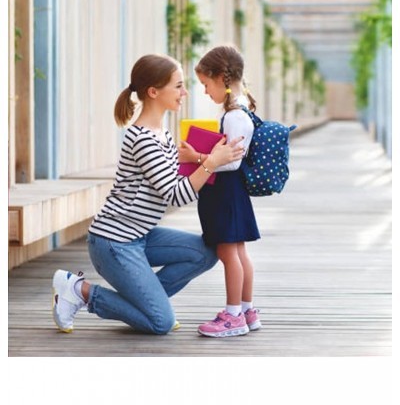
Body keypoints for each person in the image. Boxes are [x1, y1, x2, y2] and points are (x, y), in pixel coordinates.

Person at [52, 53, 244, 335]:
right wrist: (211, 162)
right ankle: (80, 291)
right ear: (154, 91)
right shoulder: (143, 139)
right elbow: (175, 195)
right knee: (160, 323)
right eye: (178, 86)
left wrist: (201, 156)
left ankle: (146, 304)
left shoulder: (161, 133)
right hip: (113, 243)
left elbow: (173, 175)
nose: (185, 92)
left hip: (140, 235)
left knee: (206, 253)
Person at [179, 45, 261, 337]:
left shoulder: (234, 116)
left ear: (221, 78)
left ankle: (233, 315)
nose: (204, 92)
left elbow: (230, 162)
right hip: (232, 194)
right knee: (239, 253)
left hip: (225, 193)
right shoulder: (240, 111)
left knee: (229, 254)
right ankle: (246, 310)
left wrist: (196, 158)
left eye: (205, 84)